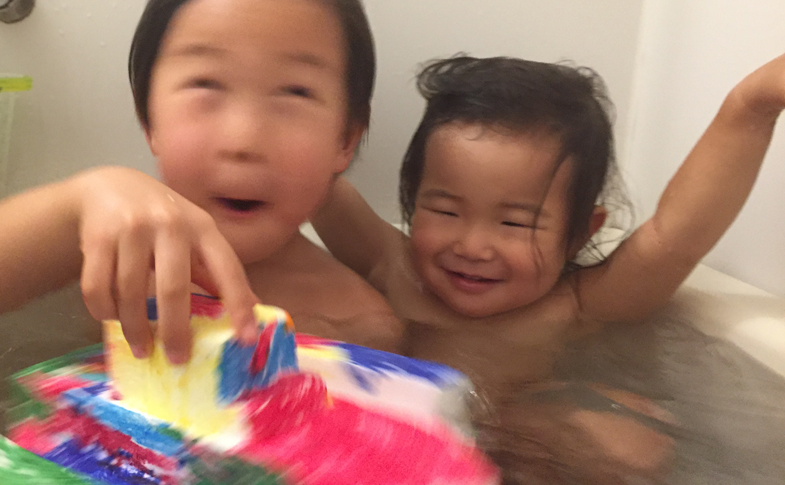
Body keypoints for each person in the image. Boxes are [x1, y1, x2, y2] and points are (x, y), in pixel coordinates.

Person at [0, 0, 401, 359]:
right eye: (205, 84)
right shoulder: (117, 236)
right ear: (149, 120)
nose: (243, 139)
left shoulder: (359, 326)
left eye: (295, 93)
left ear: (345, 139)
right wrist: (81, 198)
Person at [311, 52, 785, 392]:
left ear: (580, 234)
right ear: (413, 203)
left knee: (630, 447)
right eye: (446, 211)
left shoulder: (574, 307)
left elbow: (674, 237)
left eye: (515, 224)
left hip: (517, 450)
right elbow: (313, 180)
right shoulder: (390, 265)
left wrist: (751, 106)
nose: (473, 246)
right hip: (394, 433)